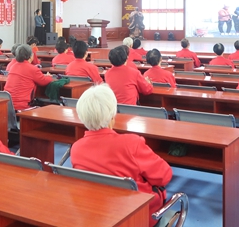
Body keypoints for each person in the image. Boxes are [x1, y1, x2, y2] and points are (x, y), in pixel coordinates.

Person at [70, 85, 172, 227]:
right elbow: (164, 176)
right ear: (113, 114)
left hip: (97, 214)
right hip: (138, 216)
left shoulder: (76, 148)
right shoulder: (132, 143)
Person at [4, 44, 53, 110]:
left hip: (7, 104)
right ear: (31, 56)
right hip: (22, 106)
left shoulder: (13, 66)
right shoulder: (32, 69)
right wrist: (49, 77)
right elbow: (43, 81)